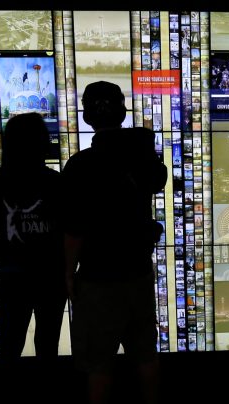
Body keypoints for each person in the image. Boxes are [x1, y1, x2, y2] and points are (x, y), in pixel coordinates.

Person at [62, 81, 166, 404]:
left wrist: (68, 273)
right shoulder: (140, 156)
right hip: (137, 271)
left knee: (99, 363)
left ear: (87, 116)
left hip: (97, 277)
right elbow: (158, 180)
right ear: (122, 111)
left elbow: (74, 229)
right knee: (145, 355)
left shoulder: (79, 166)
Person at [0, 112, 67, 360]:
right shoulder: (56, 183)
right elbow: (69, 232)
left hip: (11, 277)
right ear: (43, 143)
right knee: (48, 345)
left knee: (9, 346)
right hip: (51, 277)